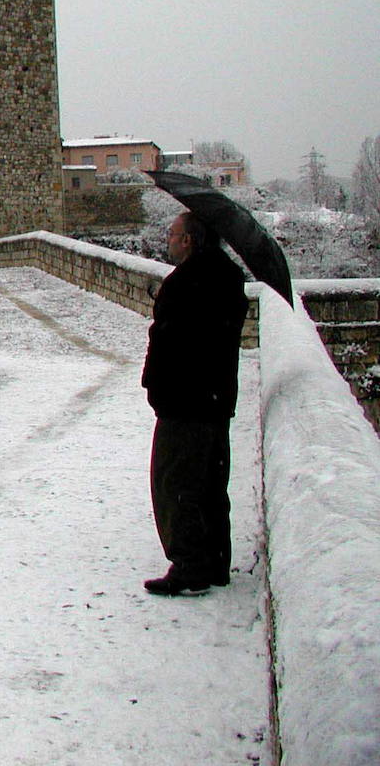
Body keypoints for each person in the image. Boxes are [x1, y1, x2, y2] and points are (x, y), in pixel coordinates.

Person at [140, 211, 248, 596]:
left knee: (176, 483)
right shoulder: (230, 277)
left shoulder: (187, 281)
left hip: (185, 399)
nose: (167, 238)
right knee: (210, 481)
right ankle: (216, 561)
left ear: (189, 240)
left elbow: (174, 341)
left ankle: (189, 565)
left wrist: (155, 385)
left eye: (172, 233)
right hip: (215, 397)